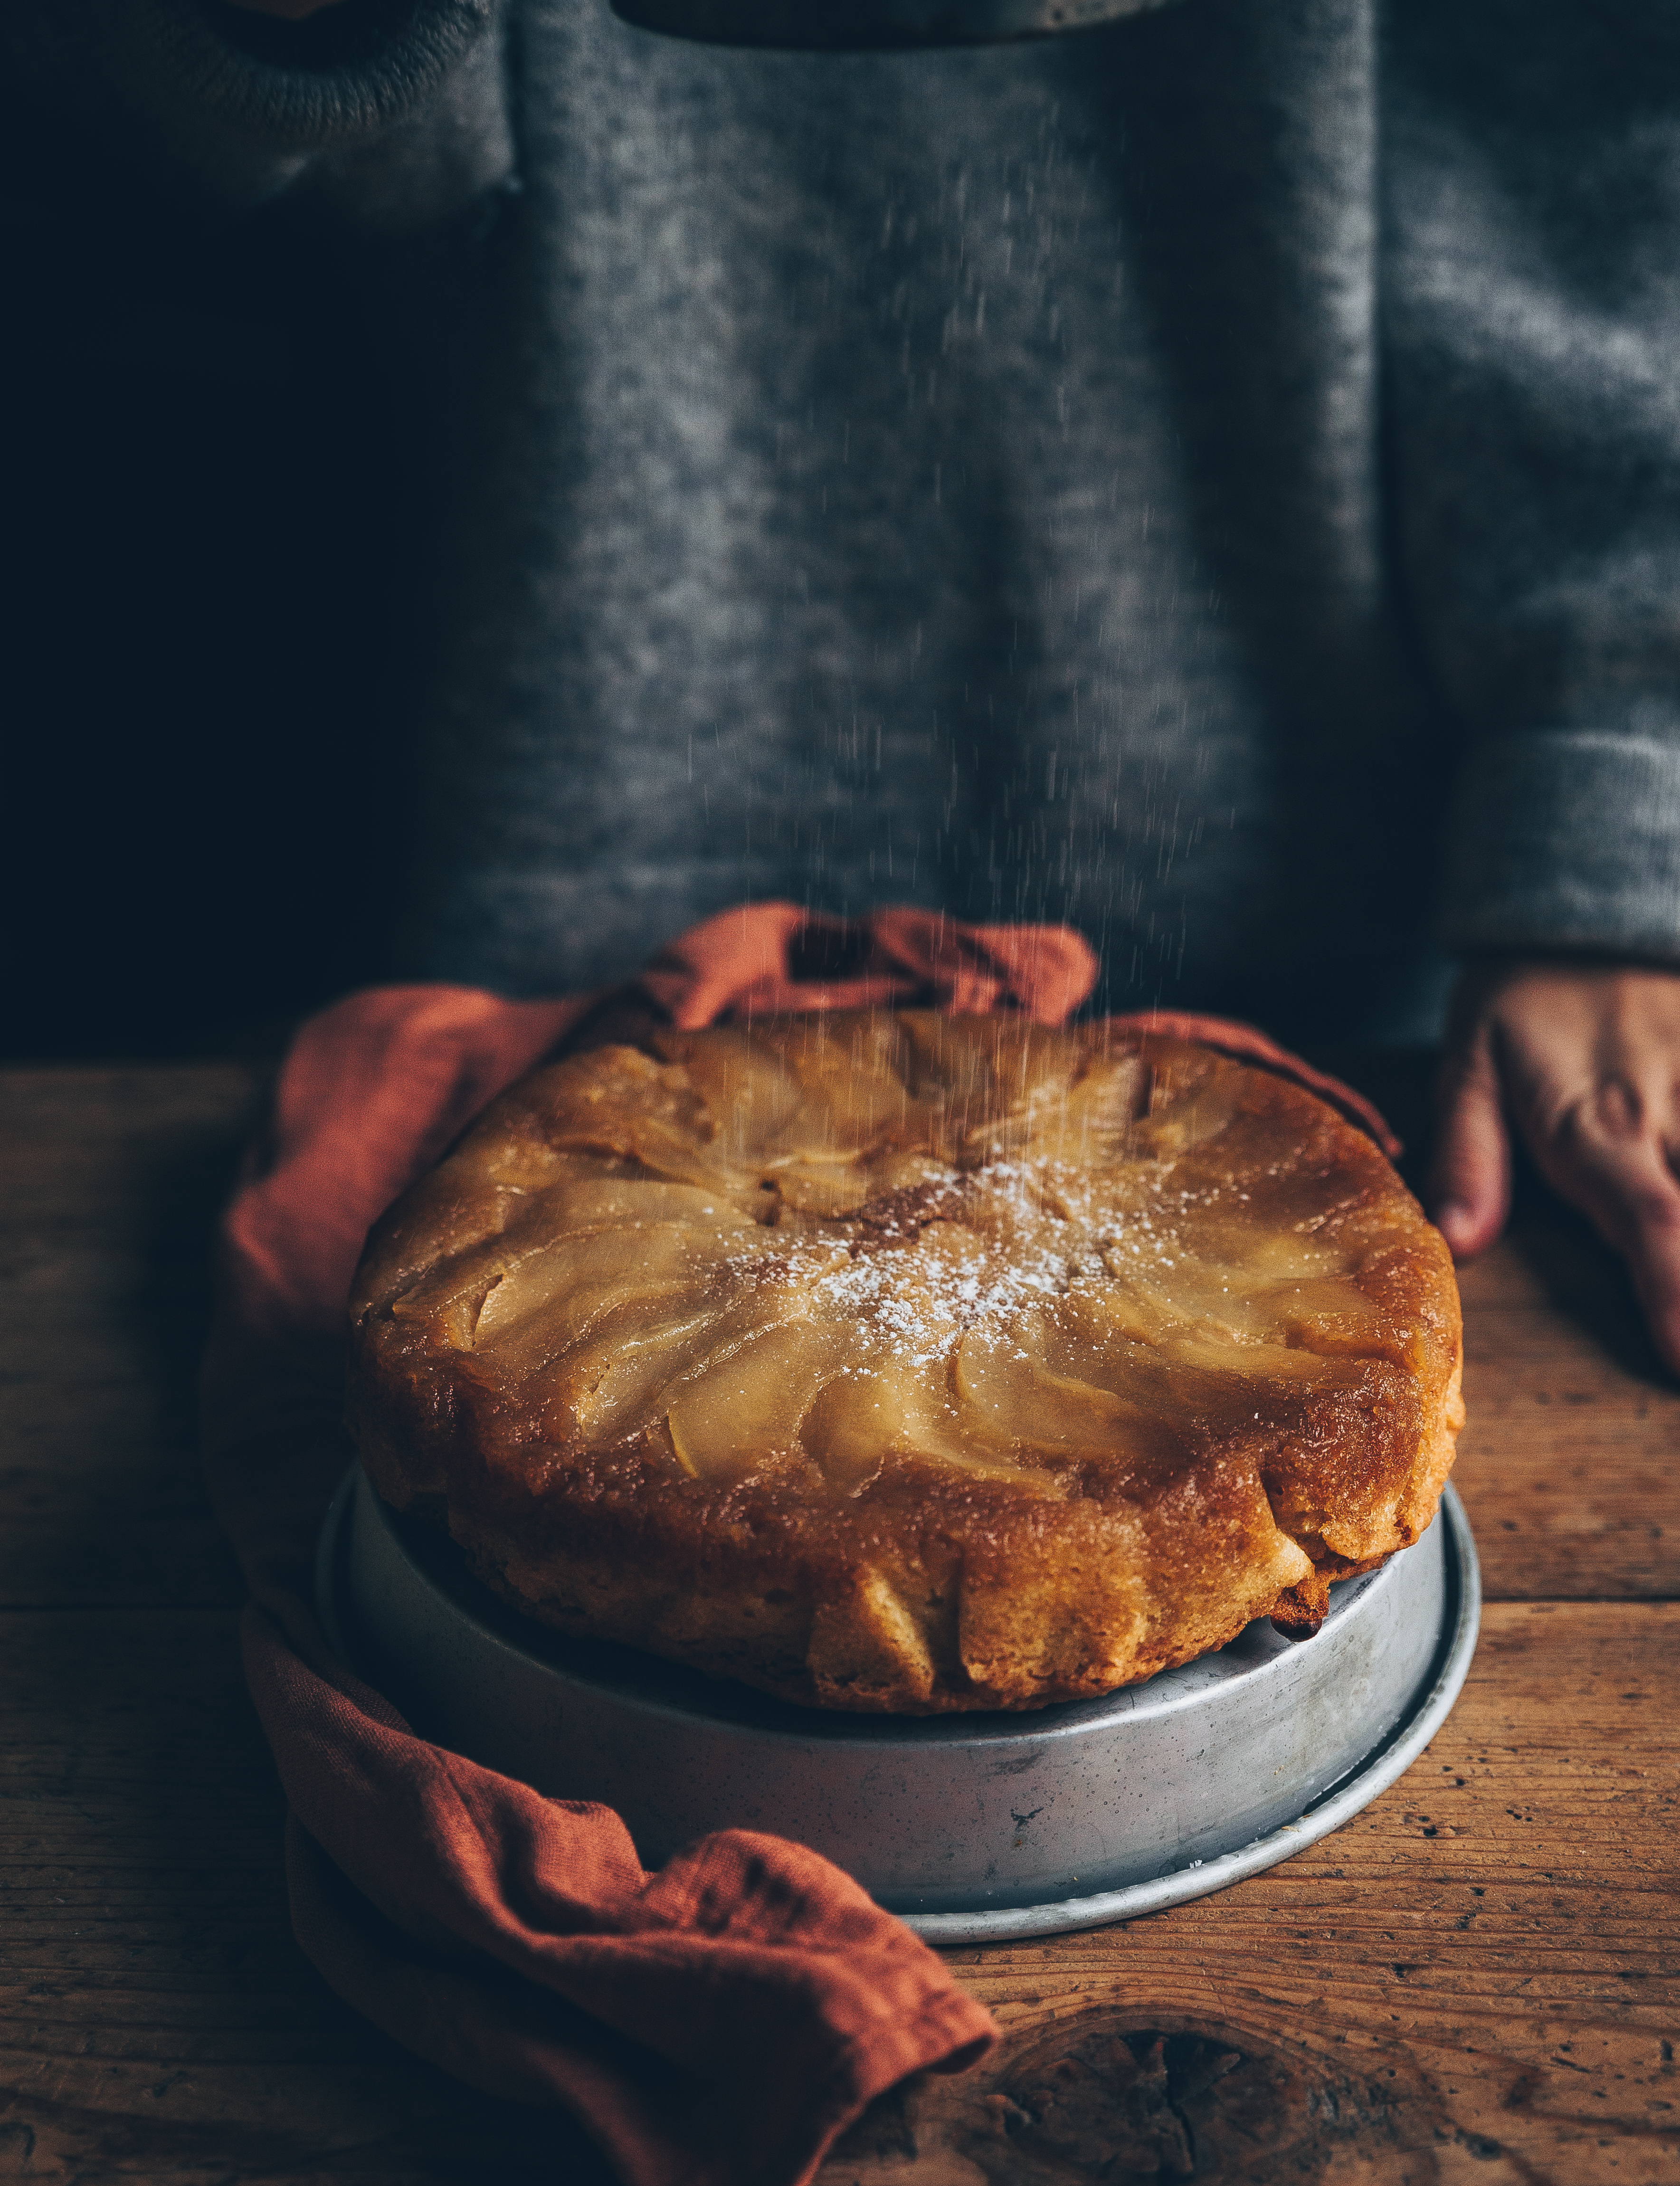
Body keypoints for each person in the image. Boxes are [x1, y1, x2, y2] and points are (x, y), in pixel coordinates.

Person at [8, 0, 1680, 1370]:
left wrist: (1608, 771)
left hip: (1377, 987)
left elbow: (1597, 119)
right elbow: (117, 172)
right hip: (541, 976)